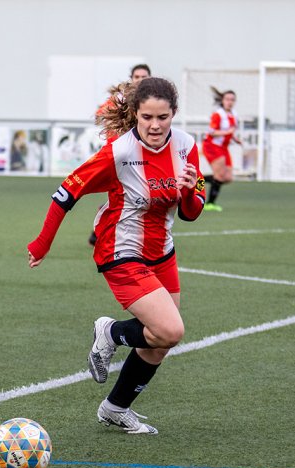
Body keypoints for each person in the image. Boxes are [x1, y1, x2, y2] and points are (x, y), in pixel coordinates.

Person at [28, 77, 205, 435]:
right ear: (135, 115)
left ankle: (115, 408)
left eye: (163, 117)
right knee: (170, 329)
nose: (155, 126)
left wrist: (189, 191)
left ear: (174, 114)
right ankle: (109, 333)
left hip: (162, 252)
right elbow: (66, 193)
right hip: (120, 251)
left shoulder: (187, 147)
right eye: (147, 117)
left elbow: (193, 209)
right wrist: (42, 243)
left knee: (160, 343)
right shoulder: (119, 152)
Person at [88, 64, 152, 246]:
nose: (140, 79)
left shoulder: (152, 101)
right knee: (124, 195)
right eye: (137, 76)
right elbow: (99, 114)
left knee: (133, 195)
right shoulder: (122, 97)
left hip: (139, 155)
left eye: (144, 76)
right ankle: (106, 232)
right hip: (118, 155)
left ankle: (121, 232)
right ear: (132, 79)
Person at [201, 87, 240, 211]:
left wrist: (233, 138)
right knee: (220, 175)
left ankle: (198, 180)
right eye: (227, 99)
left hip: (224, 148)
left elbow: (229, 131)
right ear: (222, 100)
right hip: (212, 146)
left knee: (228, 178)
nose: (230, 102)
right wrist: (227, 132)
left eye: (232, 99)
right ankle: (209, 204)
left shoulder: (234, 114)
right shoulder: (218, 114)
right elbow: (211, 132)